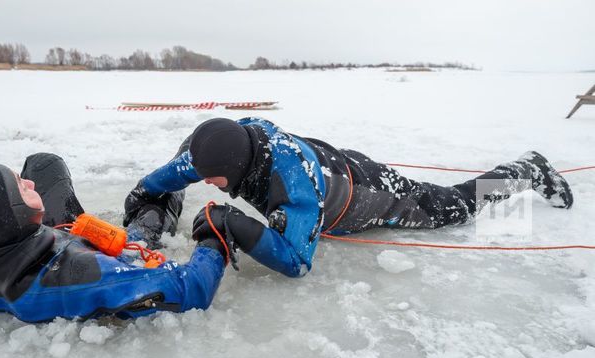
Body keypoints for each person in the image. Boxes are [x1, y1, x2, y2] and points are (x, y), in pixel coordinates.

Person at [124, 117, 574, 278]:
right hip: (334, 162)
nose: (211, 185)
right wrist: (146, 192)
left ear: (238, 170)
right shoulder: (231, 142)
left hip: (370, 193)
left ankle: (525, 169)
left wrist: (231, 222)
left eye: (217, 182)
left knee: (452, 207)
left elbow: (297, 261)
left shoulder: (294, 187)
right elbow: (183, 168)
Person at [0, 153, 227, 323]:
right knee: (154, 209)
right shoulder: (83, 276)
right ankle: (182, 168)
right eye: (20, 187)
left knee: (44, 161)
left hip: (44, 238)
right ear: (7, 213)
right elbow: (191, 290)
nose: (29, 183)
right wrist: (214, 237)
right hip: (102, 254)